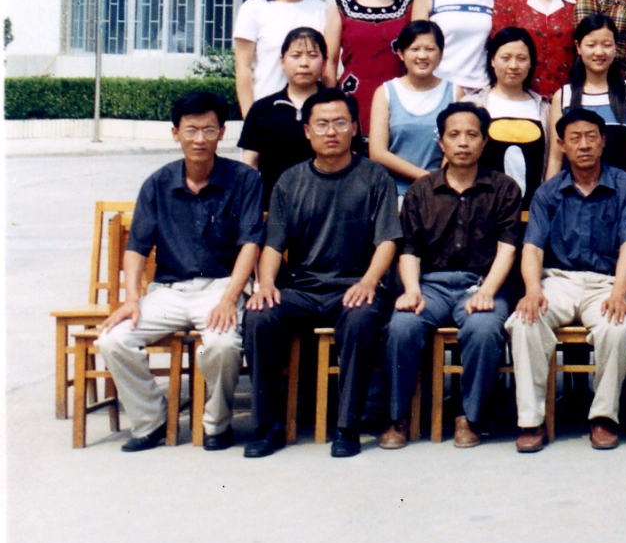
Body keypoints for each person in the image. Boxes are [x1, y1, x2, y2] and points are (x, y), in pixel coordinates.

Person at [98, 90, 262, 452]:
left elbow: (250, 243)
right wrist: (131, 300)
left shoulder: (244, 180)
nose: (200, 139)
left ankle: (216, 424)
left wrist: (230, 298)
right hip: (168, 292)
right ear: (176, 133)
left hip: (220, 287)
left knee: (222, 346)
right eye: (191, 130)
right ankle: (150, 421)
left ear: (222, 133)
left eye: (208, 129)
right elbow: (137, 247)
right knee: (112, 339)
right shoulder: (157, 184)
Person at [241, 89, 401, 459]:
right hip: (302, 288)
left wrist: (369, 281)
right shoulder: (289, 181)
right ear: (307, 131)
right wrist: (266, 284)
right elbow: (272, 244)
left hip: (354, 286)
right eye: (322, 124)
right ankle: (268, 425)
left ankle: (347, 426)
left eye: (340, 123)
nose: (331, 132)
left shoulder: (376, 177)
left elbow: (388, 240)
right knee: (259, 316)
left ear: (355, 128)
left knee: (362, 318)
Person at [382, 102, 522, 449]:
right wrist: (412, 290)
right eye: (454, 134)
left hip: (481, 284)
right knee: (402, 326)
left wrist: (488, 291)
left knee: (484, 328)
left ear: (484, 142)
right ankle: (398, 417)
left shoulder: (504, 189)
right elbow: (409, 249)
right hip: (431, 285)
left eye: (472, 135)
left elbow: (507, 248)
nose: (463, 142)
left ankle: (469, 417)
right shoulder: (421, 190)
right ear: (440, 142)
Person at [508, 107, 626, 452]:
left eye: (590, 137)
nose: (584, 145)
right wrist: (533, 290)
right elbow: (532, 248)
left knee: (618, 327)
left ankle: (603, 418)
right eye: (575, 138)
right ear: (561, 145)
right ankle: (531, 421)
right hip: (559, 281)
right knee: (525, 321)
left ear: (603, 141)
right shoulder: (548, 192)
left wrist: (620, 293)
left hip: (608, 282)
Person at [233, 0, 326, 117]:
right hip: (267, 112)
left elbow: (328, 67)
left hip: (314, 116)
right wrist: (250, 118)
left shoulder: (321, 10)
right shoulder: (253, 9)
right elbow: (243, 68)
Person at [237, 25, 331, 210]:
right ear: (282, 62)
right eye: (296, 55)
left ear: (324, 63)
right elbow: (249, 164)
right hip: (274, 207)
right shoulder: (262, 109)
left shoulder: (337, 108)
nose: (304, 63)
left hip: (328, 208)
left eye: (312, 55)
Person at [324, 0, 412, 117]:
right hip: (352, 102)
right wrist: (331, 106)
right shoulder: (340, 6)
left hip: (399, 101)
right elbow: (329, 63)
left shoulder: (409, 5)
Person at [551, 13, 626, 183]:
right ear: (578, 47)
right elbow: (556, 158)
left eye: (607, 45)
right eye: (591, 45)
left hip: (621, 194)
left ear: (615, 47)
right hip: (572, 194)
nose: (599, 52)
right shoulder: (564, 96)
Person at [366, 20, 455, 196]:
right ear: (401, 53)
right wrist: (428, 179)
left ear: (441, 54)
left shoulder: (454, 92)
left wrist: (440, 182)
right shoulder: (385, 92)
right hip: (394, 192)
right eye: (414, 49)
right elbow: (377, 152)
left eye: (430, 49)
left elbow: (457, 146)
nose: (422, 56)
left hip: (442, 193)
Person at [475, 26, 552, 199]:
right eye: (505, 58)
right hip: (483, 209)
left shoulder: (544, 109)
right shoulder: (473, 104)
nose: (513, 66)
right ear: (492, 60)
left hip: (533, 209)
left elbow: (553, 162)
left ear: (531, 63)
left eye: (521, 58)